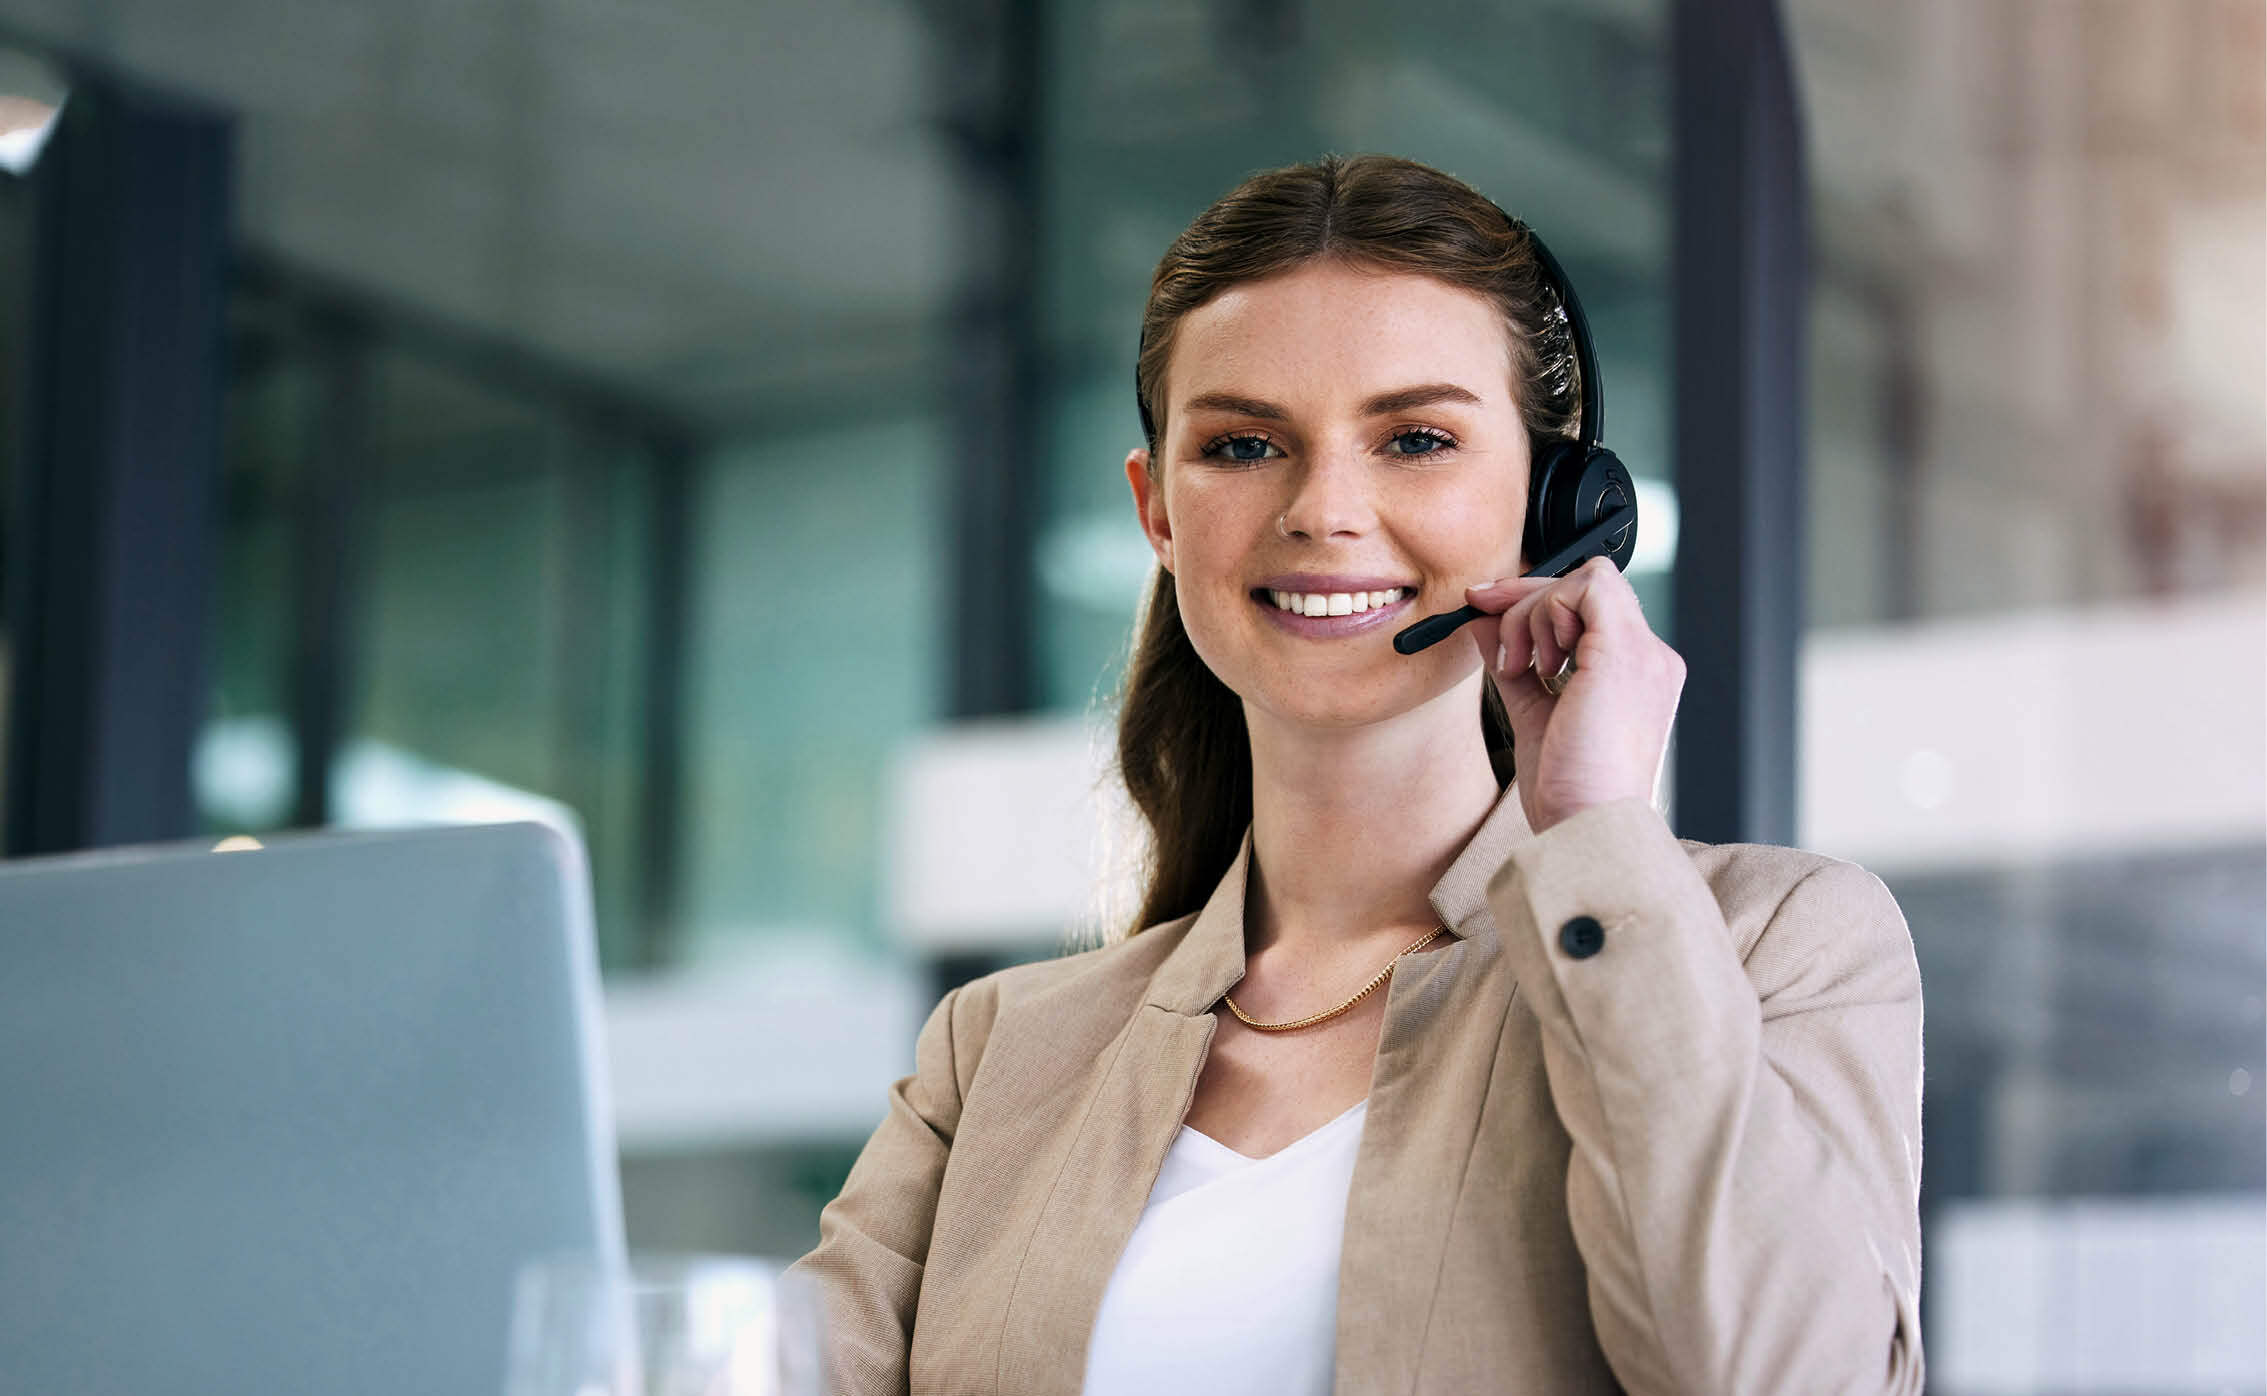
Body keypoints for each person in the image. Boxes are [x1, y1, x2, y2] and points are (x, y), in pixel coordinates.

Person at [785, 154, 1925, 1395]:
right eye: (1241, 444)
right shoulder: (1000, 1051)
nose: (1324, 510)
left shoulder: (1773, 945)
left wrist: (1592, 830)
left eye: (1416, 438)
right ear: (1156, 511)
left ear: (1559, 505)